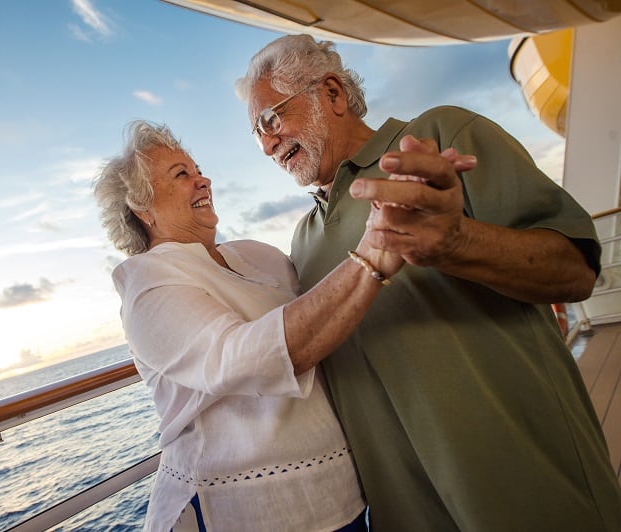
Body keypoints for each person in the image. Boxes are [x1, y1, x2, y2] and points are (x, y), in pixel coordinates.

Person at [235, 34, 621, 531]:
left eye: (272, 119)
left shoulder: (443, 136)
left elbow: (576, 270)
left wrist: (457, 242)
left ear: (331, 94)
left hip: (530, 485)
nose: (267, 144)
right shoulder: (303, 242)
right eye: (256, 135)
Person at [93, 119, 444, 531]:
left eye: (197, 169)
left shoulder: (257, 254)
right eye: (181, 174)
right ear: (143, 208)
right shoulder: (146, 284)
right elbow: (242, 358)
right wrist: (373, 252)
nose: (202, 180)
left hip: (340, 493)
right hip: (247, 509)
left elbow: (325, 311)